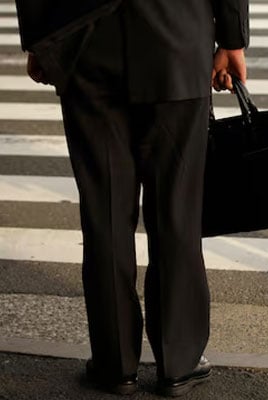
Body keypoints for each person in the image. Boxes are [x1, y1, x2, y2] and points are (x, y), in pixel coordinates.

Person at [18, 0, 249, 396]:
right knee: (176, 212)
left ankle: (114, 363)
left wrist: (41, 39)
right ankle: (178, 362)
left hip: (85, 40)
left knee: (104, 211)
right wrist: (232, 37)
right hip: (177, 36)